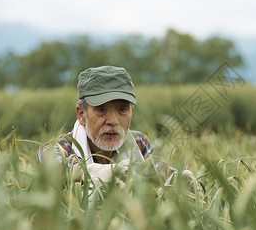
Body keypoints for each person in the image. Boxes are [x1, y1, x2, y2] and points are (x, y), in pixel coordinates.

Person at [37, 65, 181, 189]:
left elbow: (163, 174)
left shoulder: (139, 143)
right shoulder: (60, 148)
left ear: (132, 111)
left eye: (122, 110)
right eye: (101, 110)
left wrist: (181, 182)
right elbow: (54, 169)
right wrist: (98, 172)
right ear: (81, 114)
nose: (113, 121)